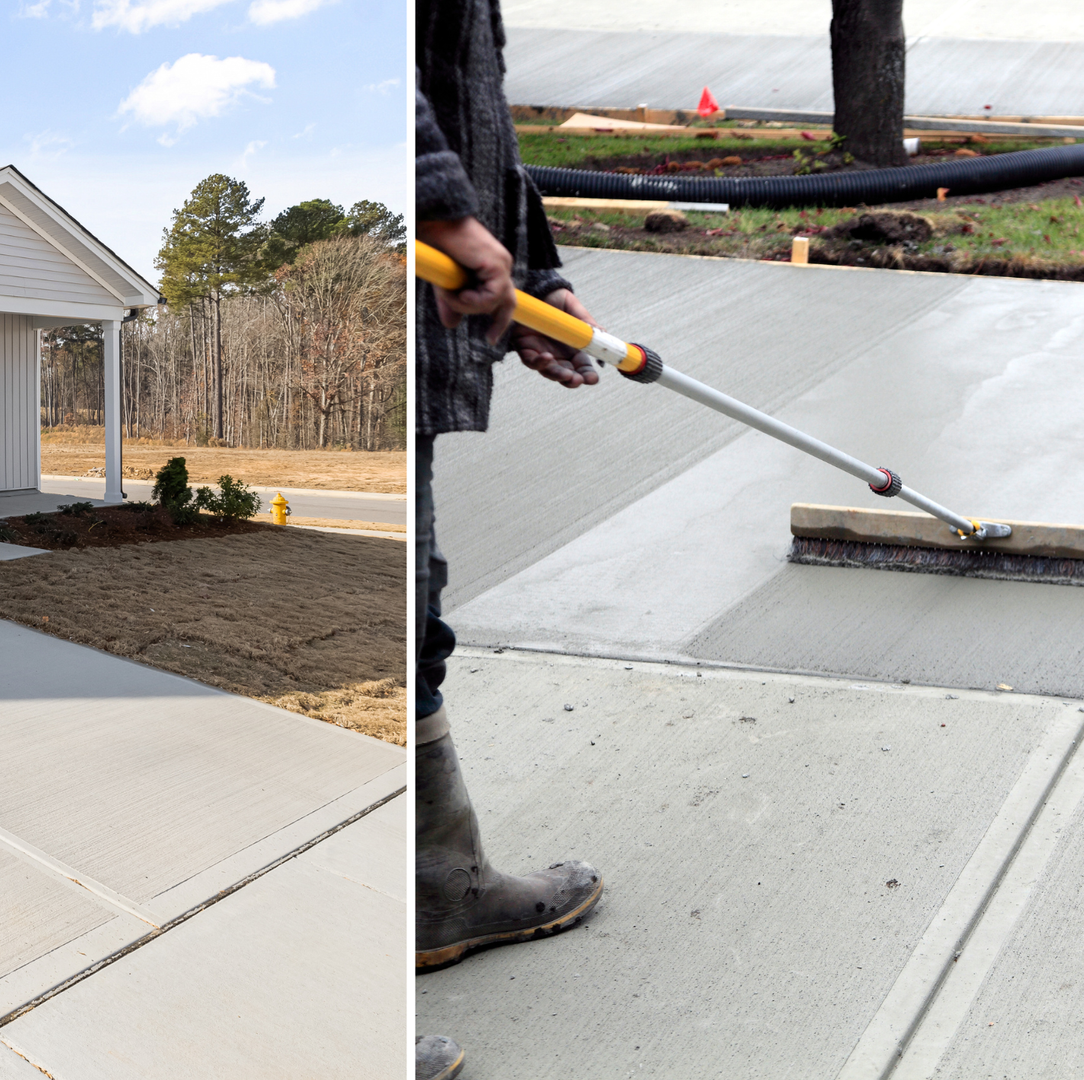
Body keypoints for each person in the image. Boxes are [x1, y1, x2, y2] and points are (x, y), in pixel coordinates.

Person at [414, 2, 606, 1076]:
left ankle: (440, 890)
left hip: (426, 296)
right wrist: (444, 216)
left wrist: (527, 262)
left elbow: (458, 87)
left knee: (407, 625)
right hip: (389, 283)